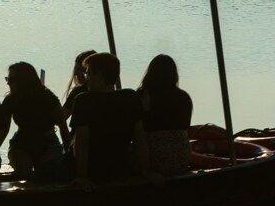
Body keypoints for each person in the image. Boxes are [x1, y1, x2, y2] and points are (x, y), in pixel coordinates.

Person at [70, 52, 149, 188]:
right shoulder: (131, 98)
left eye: (89, 74)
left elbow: (82, 142)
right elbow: (139, 137)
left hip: (92, 171)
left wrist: (81, 177)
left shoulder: (83, 101)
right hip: (119, 168)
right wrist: (147, 172)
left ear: (99, 77)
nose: (86, 79)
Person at [0, 61, 70, 182]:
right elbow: (3, 129)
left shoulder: (47, 98)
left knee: (48, 172)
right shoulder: (10, 100)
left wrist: (70, 155)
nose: (8, 83)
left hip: (47, 140)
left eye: (12, 80)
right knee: (23, 170)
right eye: (8, 79)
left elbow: (63, 127)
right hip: (22, 141)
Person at [137, 54, 193, 177]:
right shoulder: (184, 97)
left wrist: (145, 110)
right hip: (181, 158)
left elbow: (138, 129)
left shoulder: (142, 95)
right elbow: (186, 125)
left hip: (153, 159)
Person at [62, 49, 97, 123]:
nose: (77, 73)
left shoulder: (78, 93)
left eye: (80, 69)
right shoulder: (110, 93)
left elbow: (62, 117)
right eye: (76, 69)